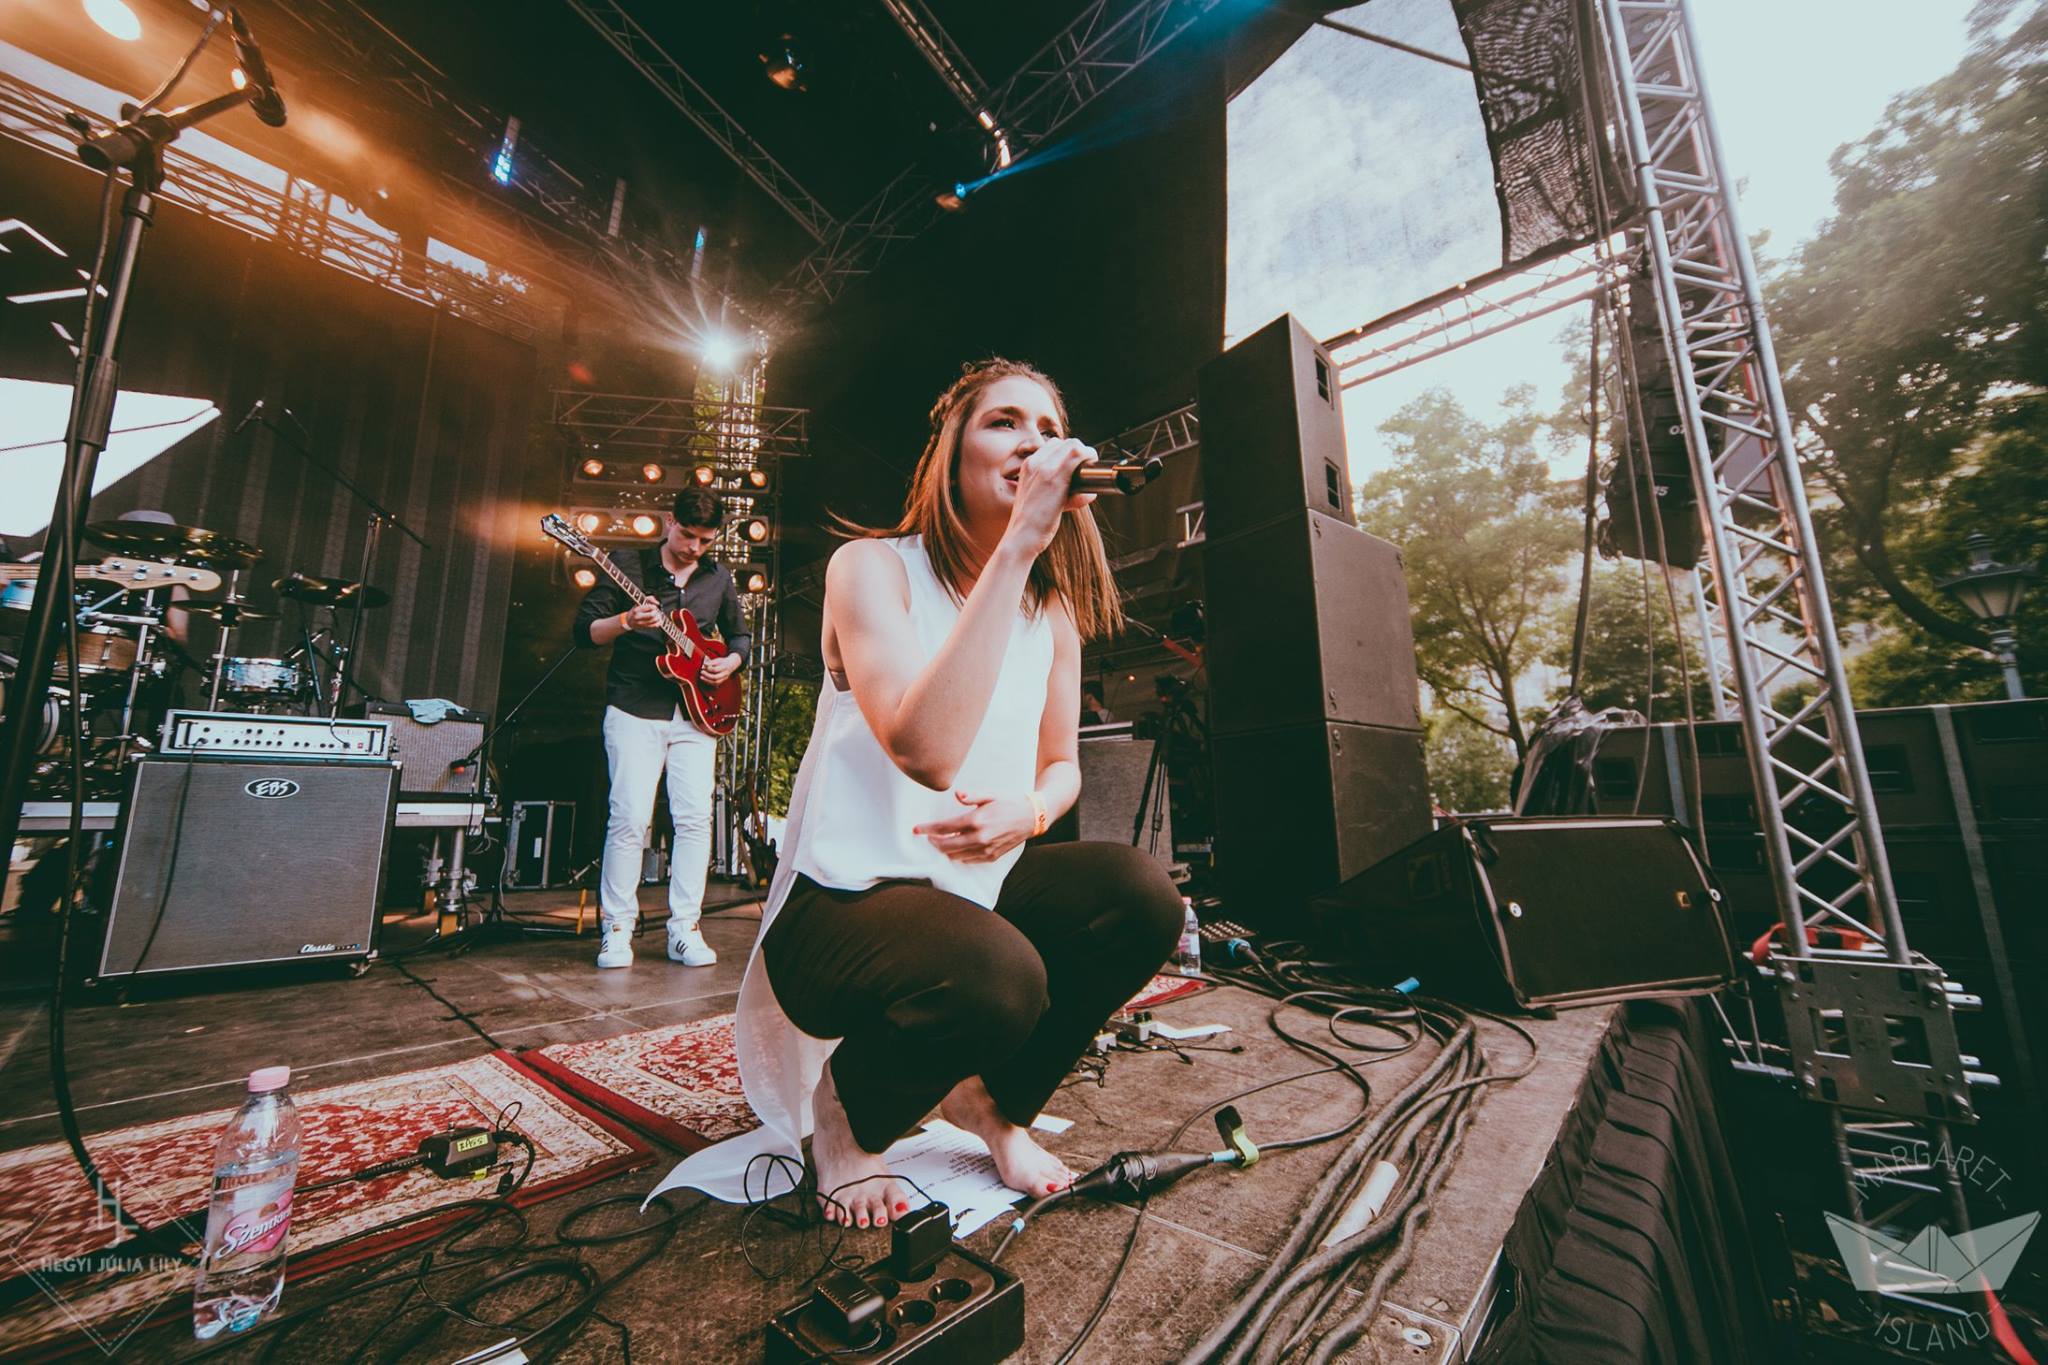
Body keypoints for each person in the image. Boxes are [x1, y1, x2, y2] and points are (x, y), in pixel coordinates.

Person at [658, 360, 1182, 1228]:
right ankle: (845, 1115)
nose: (1034, 443)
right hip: (843, 905)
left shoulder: (1050, 613)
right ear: (952, 453)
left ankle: (989, 1102)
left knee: (1140, 896)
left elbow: (1062, 764)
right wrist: (1018, 545)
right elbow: (926, 750)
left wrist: (1032, 811)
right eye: (1005, 422)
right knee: (999, 975)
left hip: (973, 890)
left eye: (1050, 430)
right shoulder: (872, 568)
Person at [572, 488, 750, 970]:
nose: (694, 548)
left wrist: (730, 663)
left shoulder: (718, 578)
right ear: (669, 521)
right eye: (687, 535)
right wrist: (627, 620)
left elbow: (739, 635)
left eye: (705, 540)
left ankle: (685, 929)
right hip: (635, 708)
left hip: (696, 714)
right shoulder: (627, 564)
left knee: (694, 821)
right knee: (630, 819)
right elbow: (585, 633)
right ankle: (616, 929)